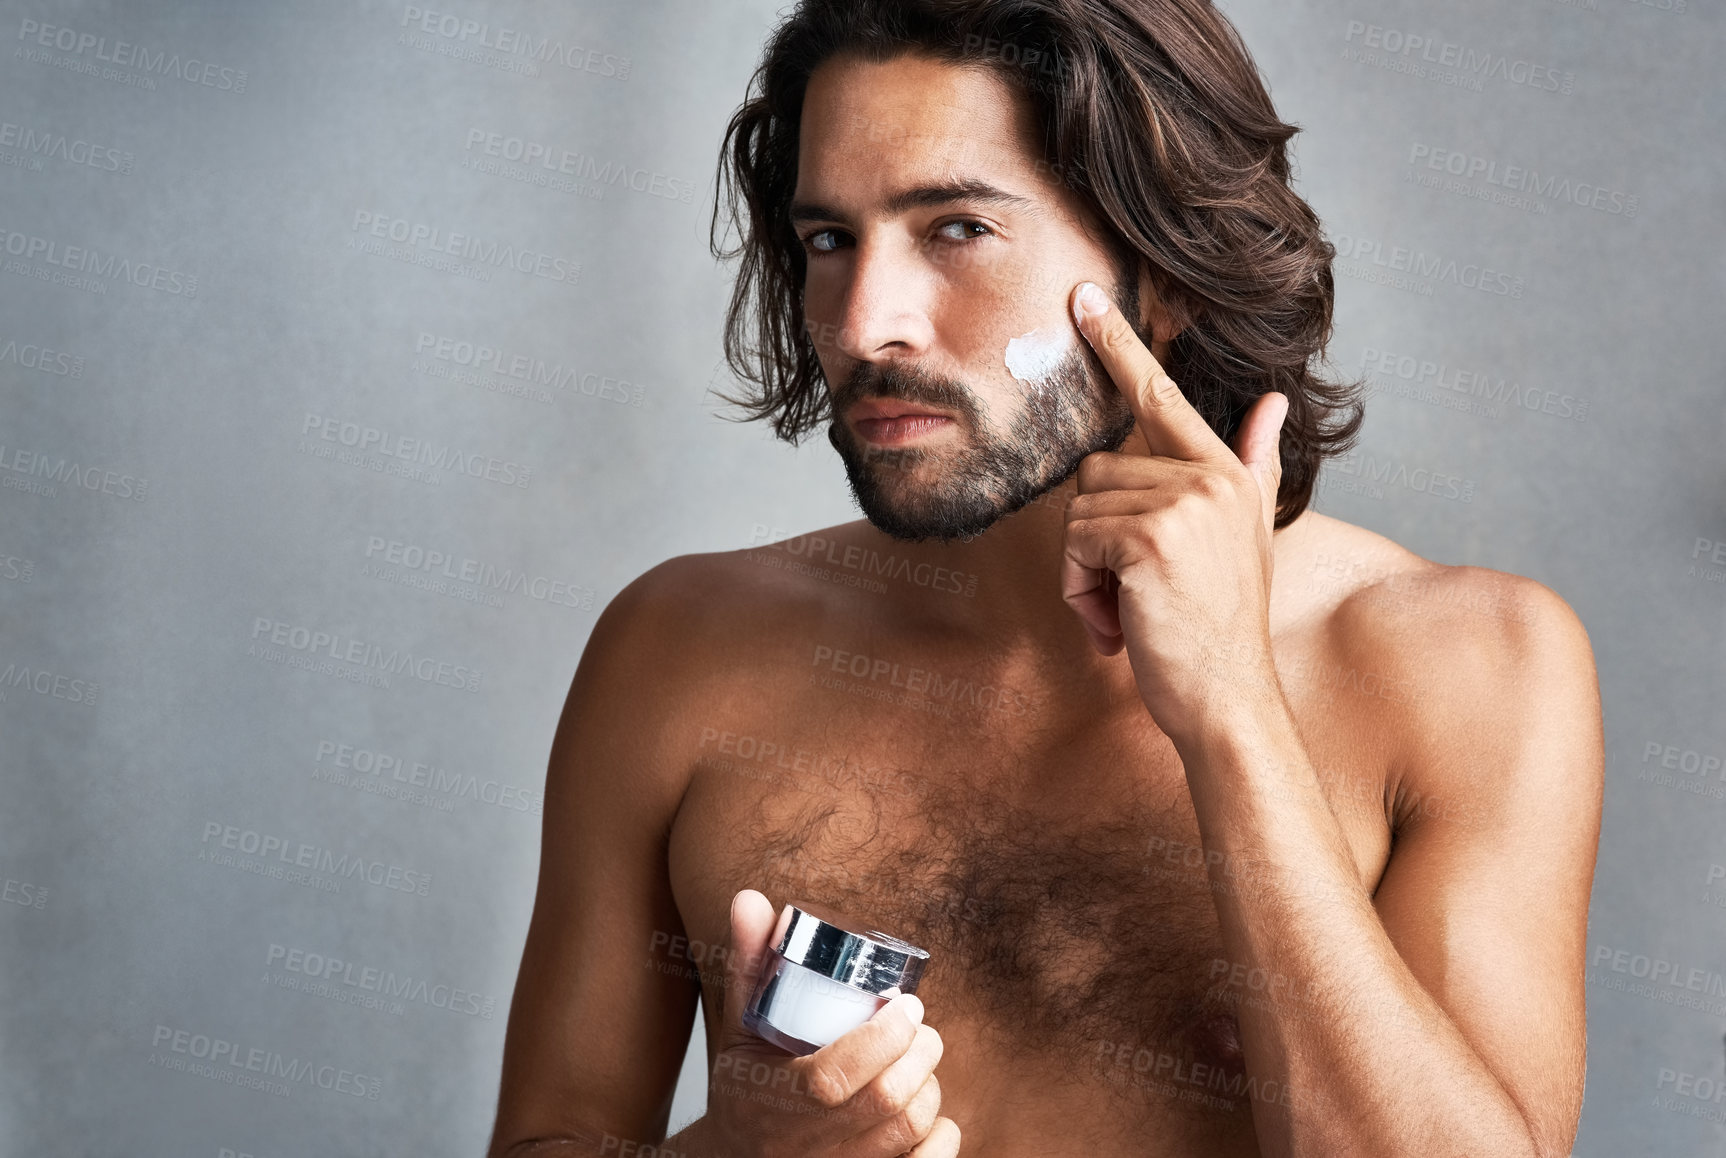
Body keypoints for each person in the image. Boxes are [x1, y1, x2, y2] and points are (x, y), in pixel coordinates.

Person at [487, 2, 1603, 1155]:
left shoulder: (1466, 662)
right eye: (829, 239)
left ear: (1163, 272)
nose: (868, 324)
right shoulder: (680, 647)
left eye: (957, 229)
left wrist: (1231, 713)